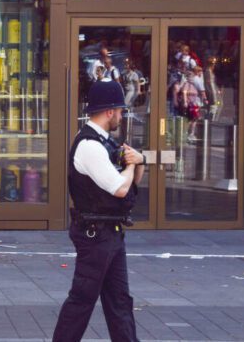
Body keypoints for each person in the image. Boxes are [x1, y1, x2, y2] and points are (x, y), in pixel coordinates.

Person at [53, 80, 145, 342]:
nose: (121, 115)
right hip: (95, 235)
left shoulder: (105, 143)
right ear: (109, 112)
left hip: (110, 233)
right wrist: (131, 166)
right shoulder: (90, 146)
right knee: (81, 300)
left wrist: (140, 161)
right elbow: (119, 188)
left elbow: (133, 182)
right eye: (120, 110)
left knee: (119, 301)